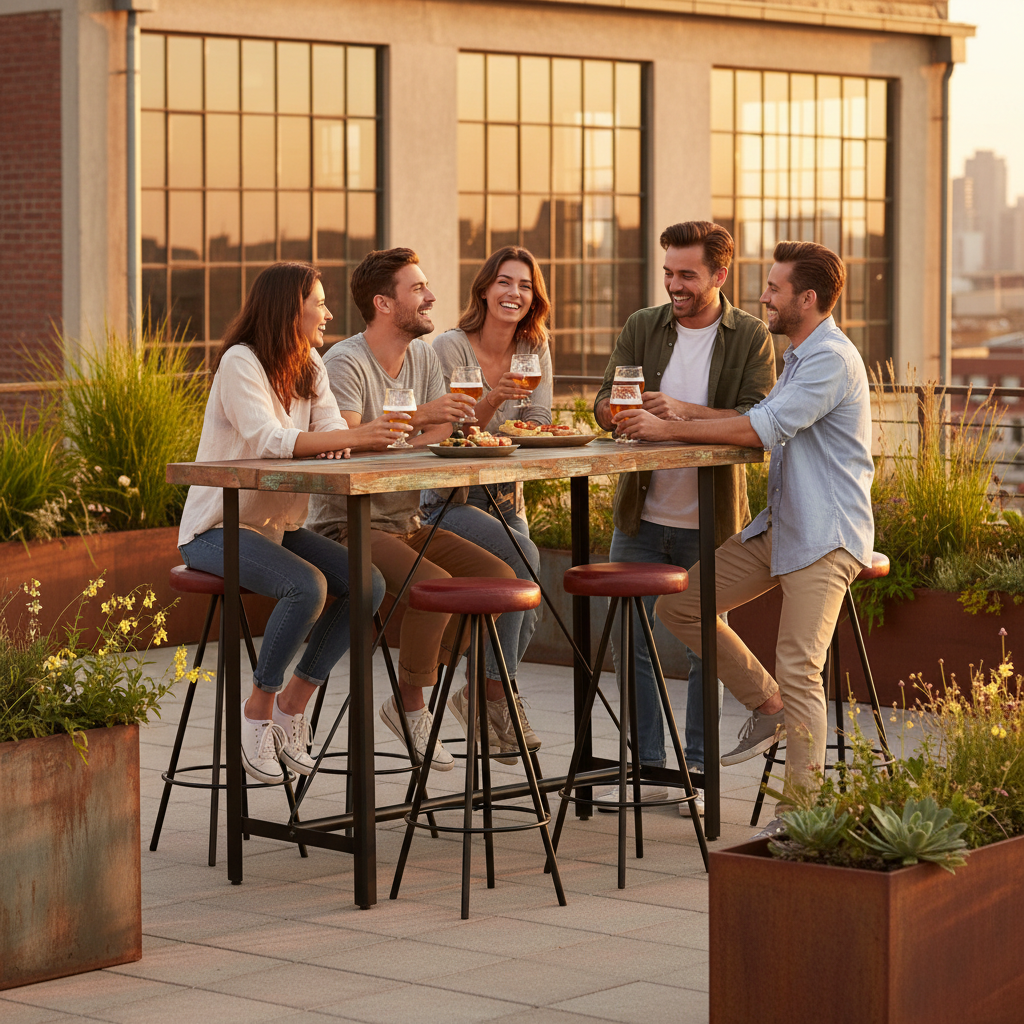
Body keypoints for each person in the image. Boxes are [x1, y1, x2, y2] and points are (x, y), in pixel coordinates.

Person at [616, 240, 874, 838]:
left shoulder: (831, 358)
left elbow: (765, 428)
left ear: (807, 299)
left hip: (826, 535)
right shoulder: (800, 354)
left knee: (801, 668)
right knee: (682, 604)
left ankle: (798, 818)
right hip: (782, 526)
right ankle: (767, 705)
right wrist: (678, 413)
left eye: (776, 288)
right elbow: (757, 416)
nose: (763, 296)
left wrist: (664, 427)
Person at [305, 248, 520, 770]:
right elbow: (347, 444)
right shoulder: (346, 361)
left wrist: (443, 419)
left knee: (497, 579)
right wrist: (424, 415)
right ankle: (411, 706)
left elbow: (438, 434)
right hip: (347, 524)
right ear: (384, 303)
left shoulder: (422, 357)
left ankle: (412, 693)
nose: (431, 297)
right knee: (439, 590)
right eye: (417, 289)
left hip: (407, 521)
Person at [177, 262, 391, 785]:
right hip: (215, 530)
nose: (328, 313)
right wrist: (355, 440)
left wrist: (349, 438)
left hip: (273, 524)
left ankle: (292, 709)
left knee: (367, 584)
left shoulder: (310, 363)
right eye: (319, 302)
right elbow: (269, 441)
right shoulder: (239, 362)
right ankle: (257, 711)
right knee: (307, 586)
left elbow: (335, 429)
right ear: (288, 308)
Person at [592, 221, 776, 815]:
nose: (674, 284)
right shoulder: (644, 325)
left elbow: (759, 421)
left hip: (713, 518)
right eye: (669, 272)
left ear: (719, 276)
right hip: (640, 514)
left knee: (703, 641)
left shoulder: (750, 336)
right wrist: (616, 410)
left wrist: (679, 413)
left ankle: (695, 769)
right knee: (631, 638)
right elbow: (602, 402)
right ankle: (646, 764)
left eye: (687, 275)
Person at [421, 246, 552, 756]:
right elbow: (448, 426)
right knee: (527, 562)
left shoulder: (534, 345)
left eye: (523, 285)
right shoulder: (450, 348)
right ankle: (495, 695)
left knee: (530, 594)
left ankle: (483, 692)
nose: (513, 293)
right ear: (483, 290)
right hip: (450, 498)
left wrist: (513, 420)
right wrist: (496, 398)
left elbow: (538, 422)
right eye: (503, 282)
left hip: (506, 494)